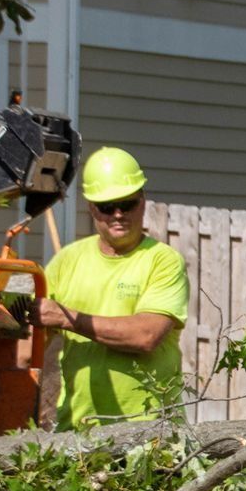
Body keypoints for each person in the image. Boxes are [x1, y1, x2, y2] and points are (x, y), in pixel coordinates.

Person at [37, 146, 189, 429]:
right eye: (107, 207)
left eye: (127, 204)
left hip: (150, 433)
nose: (118, 214)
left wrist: (66, 317)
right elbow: (27, 352)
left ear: (142, 201)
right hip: (78, 431)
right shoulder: (66, 261)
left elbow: (146, 336)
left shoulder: (163, 261)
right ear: (92, 208)